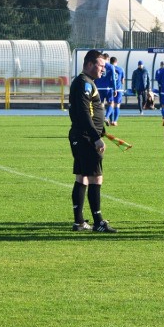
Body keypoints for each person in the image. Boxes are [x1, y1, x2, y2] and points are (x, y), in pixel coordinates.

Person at [68, 49, 116, 233]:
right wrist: (96, 137)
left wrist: (101, 129)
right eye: (101, 65)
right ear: (89, 64)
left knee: (83, 177)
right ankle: (98, 222)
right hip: (86, 138)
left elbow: (89, 111)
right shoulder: (84, 83)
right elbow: (83, 112)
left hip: (82, 136)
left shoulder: (86, 82)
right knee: (96, 177)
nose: (103, 69)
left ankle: (79, 221)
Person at [95, 52, 116, 122]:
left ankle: (99, 118)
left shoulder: (98, 65)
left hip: (99, 88)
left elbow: (94, 76)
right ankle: (106, 117)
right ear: (108, 58)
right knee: (111, 103)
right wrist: (115, 89)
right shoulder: (110, 66)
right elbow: (113, 78)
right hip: (108, 88)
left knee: (101, 104)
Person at [109, 56, 125, 126]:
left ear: (110, 62)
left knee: (111, 105)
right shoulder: (121, 69)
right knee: (117, 105)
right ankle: (115, 121)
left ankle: (110, 120)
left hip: (110, 89)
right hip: (118, 89)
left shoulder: (108, 69)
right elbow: (122, 81)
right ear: (116, 62)